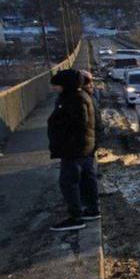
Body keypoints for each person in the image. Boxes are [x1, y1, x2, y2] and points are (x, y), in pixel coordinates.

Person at [47, 68, 99, 231]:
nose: (54, 88)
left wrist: (60, 133)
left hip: (74, 149)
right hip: (82, 147)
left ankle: (76, 218)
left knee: (69, 183)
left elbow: (78, 125)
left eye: (56, 85)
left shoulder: (74, 99)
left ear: (65, 85)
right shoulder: (78, 97)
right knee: (85, 179)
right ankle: (91, 209)